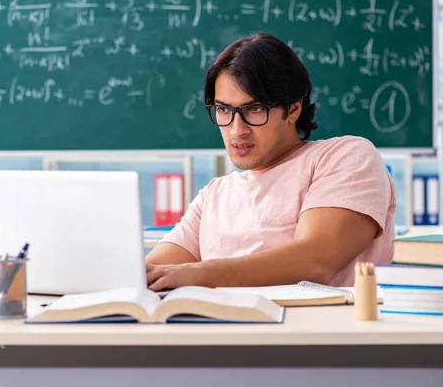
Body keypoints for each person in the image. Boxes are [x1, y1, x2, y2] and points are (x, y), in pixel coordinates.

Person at [146, 32, 396, 290]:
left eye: (254, 109)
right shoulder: (214, 195)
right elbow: (154, 271)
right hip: (223, 327)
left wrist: (198, 274)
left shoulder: (346, 157)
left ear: (293, 109)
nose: (236, 130)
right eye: (223, 110)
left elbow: (316, 262)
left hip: (315, 329)